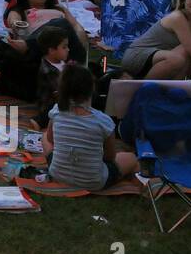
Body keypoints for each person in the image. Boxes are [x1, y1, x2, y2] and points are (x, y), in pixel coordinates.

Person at [44, 63, 139, 191]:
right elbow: (110, 157)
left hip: (58, 174)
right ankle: (140, 182)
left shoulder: (56, 111)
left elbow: (50, 139)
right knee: (131, 158)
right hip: (94, 182)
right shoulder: (104, 121)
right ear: (92, 89)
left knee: (44, 137)